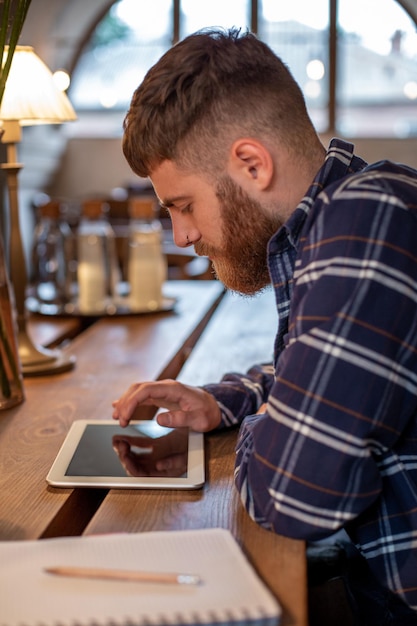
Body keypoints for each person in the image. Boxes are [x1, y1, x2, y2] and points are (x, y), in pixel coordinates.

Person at [112, 27, 417, 624]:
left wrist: (267, 422)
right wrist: (224, 402)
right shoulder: (334, 224)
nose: (183, 235)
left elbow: (297, 492)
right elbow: (313, 367)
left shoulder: (367, 216)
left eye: (183, 205)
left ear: (251, 163)